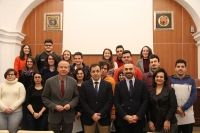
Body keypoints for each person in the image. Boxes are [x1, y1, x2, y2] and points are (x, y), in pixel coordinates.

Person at [42, 60, 79, 133]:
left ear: (69, 69)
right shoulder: (49, 81)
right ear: (57, 69)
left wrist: (70, 105)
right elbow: (44, 97)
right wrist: (54, 106)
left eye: (65, 67)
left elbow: (76, 97)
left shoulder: (73, 81)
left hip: (68, 116)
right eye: (61, 67)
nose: (63, 69)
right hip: (54, 115)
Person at [114, 63, 148, 133]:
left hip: (138, 121)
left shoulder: (142, 84)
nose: (128, 71)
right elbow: (116, 102)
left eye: (130, 69)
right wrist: (125, 116)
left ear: (134, 71)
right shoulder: (118, 85)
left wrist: (138, 116)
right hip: (123, 121)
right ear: (123, 71)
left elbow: (145, 101)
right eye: (126, 69)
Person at [80, 63, 113, 133]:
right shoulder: (85, 85)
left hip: (104, 118)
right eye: (93, 71)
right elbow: (83, 101)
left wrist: (100, 114)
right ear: (90, 73)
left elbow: (110, 101)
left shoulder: (107, 85)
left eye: (97, 71)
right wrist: (92, 114)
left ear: (101, 72)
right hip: (88, 118)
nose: (96, 73)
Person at [170, 59, 197, 133]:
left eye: (182, 66)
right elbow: (169, 96)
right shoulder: (170, 79)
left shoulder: (191, 80)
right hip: (174, 114)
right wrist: (177, 108)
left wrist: (182, 108)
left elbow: (193, 96)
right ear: (175, 68)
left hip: (187, 114)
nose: (180, 68)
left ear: (185, 68)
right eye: (178, 66)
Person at [147, 68, 178, 132]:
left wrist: (167, 120)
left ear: (165, 79)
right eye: (157, 76)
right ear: (154, 78)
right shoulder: (150, 91)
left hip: (168, 123)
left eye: (161, 77)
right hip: (154, 123)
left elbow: (173, 106)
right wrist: (149, 121)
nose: (159, 78)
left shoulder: (170, 90)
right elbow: (148, 108)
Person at [0, 68, 26, 133]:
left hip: (16, 112)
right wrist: (4, 108)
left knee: (12, 131)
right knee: (3, 131)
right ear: (6, 76)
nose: (10, 76)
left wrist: (12, 108)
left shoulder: (20, 85)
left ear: (15, 76)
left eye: (12, 74)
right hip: (1, 112)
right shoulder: (1, 85)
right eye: (8, 74)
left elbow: (22, 98)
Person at [18, 56, 38, 129]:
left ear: (34, 63)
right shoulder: (22, 73)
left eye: (31, 62)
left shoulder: (36, 73)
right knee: (24, 114)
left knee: (32, 114)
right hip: (24, 96)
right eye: (28, 62)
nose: (29, 63)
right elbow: (20, 84)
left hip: (33, 95)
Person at [73, 67, 87, 133]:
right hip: (74, 112)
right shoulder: (72, 85)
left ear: (84, 74)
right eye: (78, 74)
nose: (79, 75)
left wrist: (81, 111)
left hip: (85, 112)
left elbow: (88, 100)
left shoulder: (88, 85)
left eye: (81, 73)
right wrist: (76, 112)